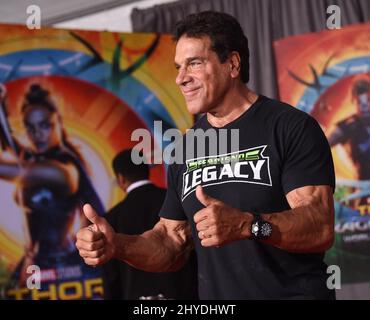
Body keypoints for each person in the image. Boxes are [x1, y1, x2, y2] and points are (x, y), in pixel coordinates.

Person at [76, 11, 336, 299]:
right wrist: (117, 246)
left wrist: (247, 225)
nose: (180, 78)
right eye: (178, 67)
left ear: (232, 64)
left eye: (194, 64)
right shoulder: (186, 148)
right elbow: (171, 242)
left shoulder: (290, 127)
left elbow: (319, 226)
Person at [0, 83, 105, 289]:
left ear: (57, 121)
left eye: (45, 125)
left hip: (63, 267)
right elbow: (7, 140)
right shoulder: (34, 158)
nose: (37, 134)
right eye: (30, 127)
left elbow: (18, 170)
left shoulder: (63, 169)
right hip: (33, 264)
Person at [102, 149, 198, 299]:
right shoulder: (178, 202)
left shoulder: (112, 219)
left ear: (120, 178)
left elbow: (112, 277)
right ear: (147, 170)